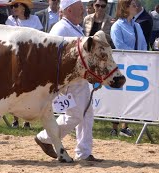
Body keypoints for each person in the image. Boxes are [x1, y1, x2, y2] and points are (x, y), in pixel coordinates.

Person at [35, 0, 102, 162]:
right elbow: (52, 57)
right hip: (68, 82)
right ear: (69, 10)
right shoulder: (60, 29)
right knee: (75, 115)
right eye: (80, 9)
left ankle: (84, 152)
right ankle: (44, 138)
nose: (83, 12)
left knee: (86, 115)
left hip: (80, 79)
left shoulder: (75, 27)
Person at [109, 0, 146, 137]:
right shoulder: (117, 26)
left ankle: (125, 126)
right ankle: (114, 127)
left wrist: (141, 58)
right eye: (133, 5)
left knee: (131, 96)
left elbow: (142, 45)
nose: (136, 7)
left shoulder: (137, 26)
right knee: (117, 96)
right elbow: (119, 45)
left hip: (136, 66)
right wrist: (136, 56)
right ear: (125, 7)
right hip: (122, 66)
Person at [5, 0, 43, 128]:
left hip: (31, 59)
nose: (13, 8)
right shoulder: (10, 20)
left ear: (23, 7)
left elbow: (40, 39)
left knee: (29, 90)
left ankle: (27, 121)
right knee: (15, 89)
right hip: (15, 59)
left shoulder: (35, 19)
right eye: (12, 6)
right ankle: (15, 119)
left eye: (16, 5)